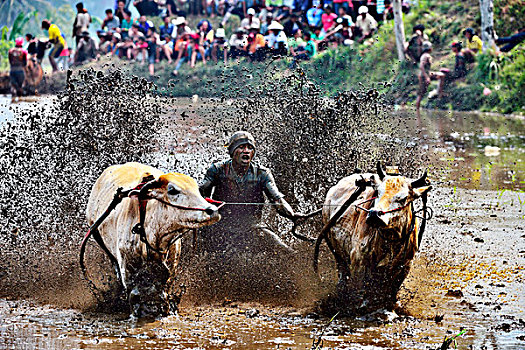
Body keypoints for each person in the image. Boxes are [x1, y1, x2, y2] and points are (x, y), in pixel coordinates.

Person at [198, 131, 307, 301]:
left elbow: (277, 199)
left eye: (250, 148)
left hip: (252, 226)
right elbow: (201, 193)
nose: (246, 151)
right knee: (205, 256)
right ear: (233, 151)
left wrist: (292, 215)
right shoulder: (217, 169)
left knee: (288, 252)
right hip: (220, 226)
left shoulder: (262, 173)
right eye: (241, 147)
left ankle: (294, 290)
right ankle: (208, 293)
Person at [415, 41, 445, 109]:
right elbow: (421, 66)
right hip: (424, 76)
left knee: (441, 75)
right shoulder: (426, 56)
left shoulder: (424, 55)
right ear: (429, 48)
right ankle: (417, 110)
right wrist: (427, 77)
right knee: (421, 93)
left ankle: (439, 93)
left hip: (427, 74)